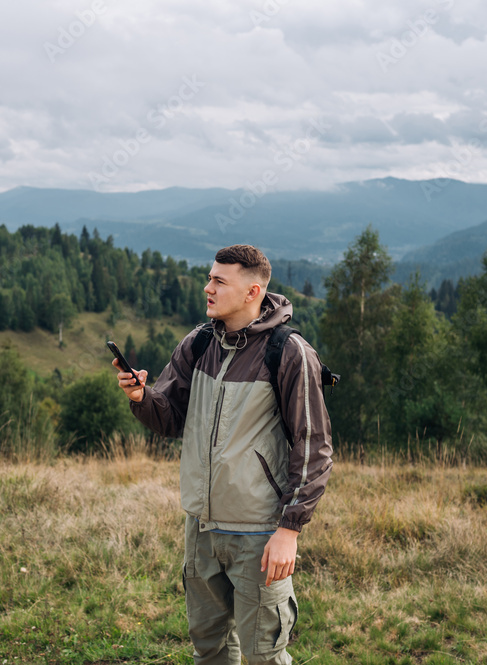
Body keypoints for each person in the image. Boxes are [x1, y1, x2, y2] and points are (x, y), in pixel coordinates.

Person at [113, 244, 333, 665]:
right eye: (209, 277)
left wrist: (290, 529)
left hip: (259, 532)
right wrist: (142, 397)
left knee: (263, 654)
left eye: (219, 280)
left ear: (252, 292)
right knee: (210, 650)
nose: (207, 287)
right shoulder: (197, 344)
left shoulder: (289, 353)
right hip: (201, 527)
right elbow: (170, 418)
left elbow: (314, 447)